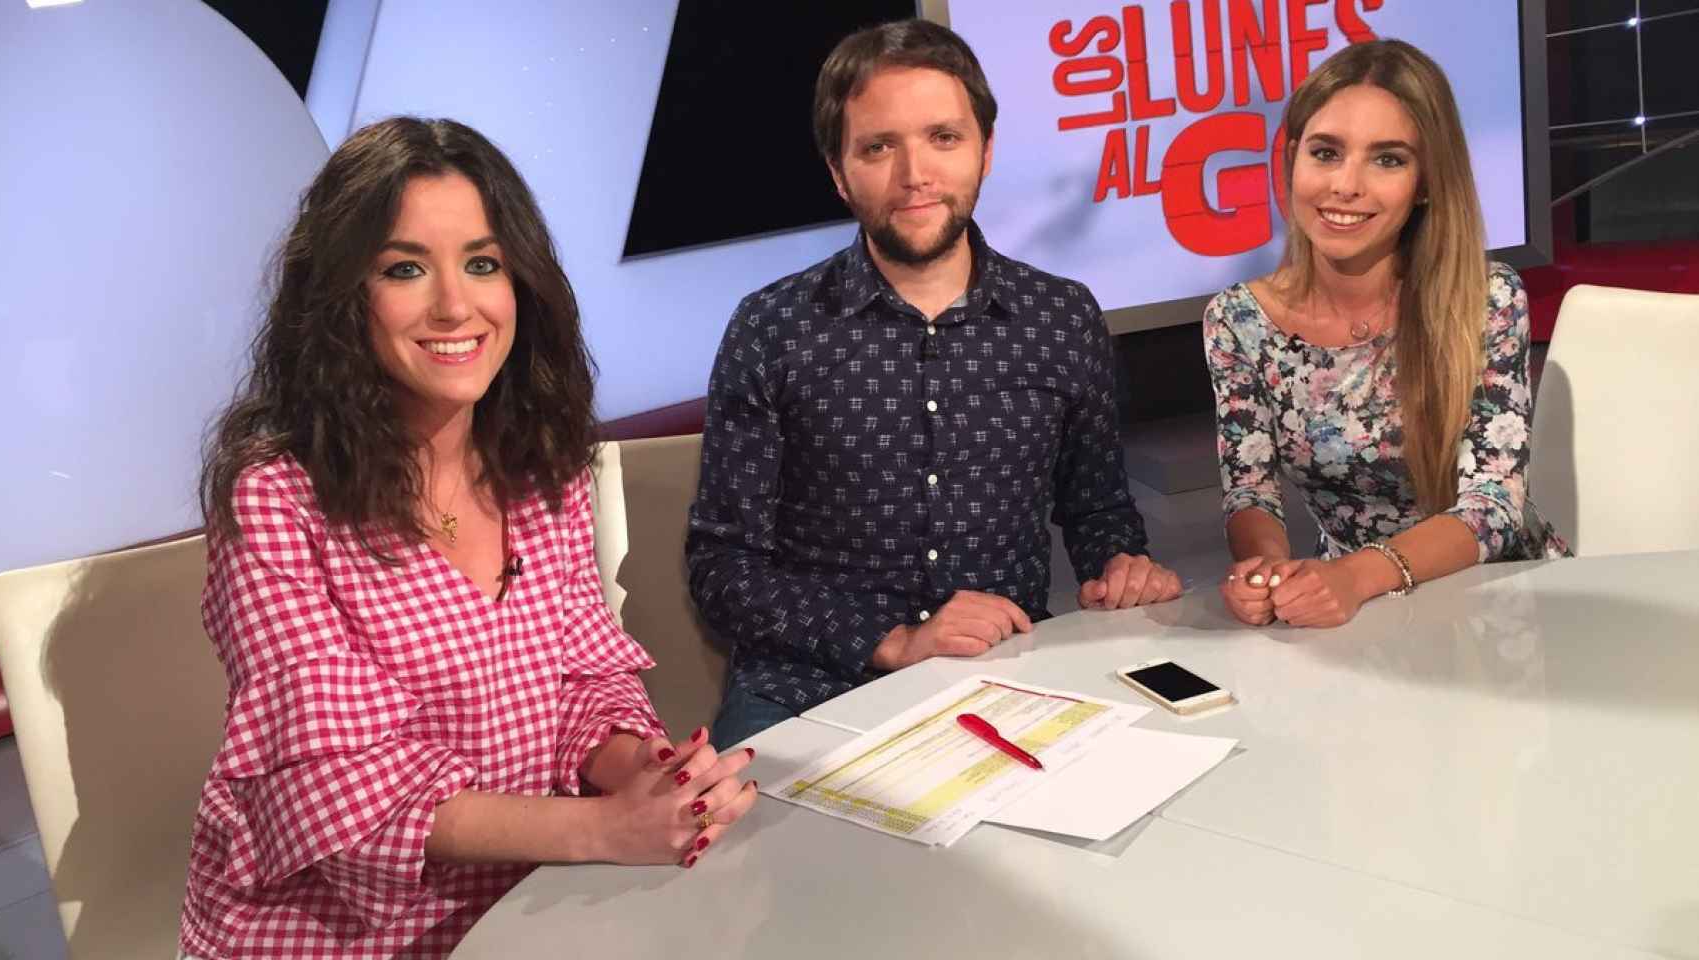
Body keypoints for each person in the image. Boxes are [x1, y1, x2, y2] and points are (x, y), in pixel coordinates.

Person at [182, 118, 755, 960]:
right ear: (341, 297)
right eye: (406, 268)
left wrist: (634, 765)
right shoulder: (277, 498)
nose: (456, 305)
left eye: (482, 263)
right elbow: (339, 790)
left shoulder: (544, 469)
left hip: (532, 902)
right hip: (334, 937)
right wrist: (602, 828)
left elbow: (576, 681)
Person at [686, 20, 1181, 748]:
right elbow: (722, 568)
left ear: (985, 148)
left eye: (943, 138)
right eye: (879, 146)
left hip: (1008, 673)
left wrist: (1122, 567)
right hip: (807, 687)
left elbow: (1098, 507)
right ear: (837, 170)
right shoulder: (773, 327)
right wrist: (895, 640)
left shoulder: (1061, 316)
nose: (914, 173)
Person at [1205, 40, 1568, 630]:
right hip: (1350, 612)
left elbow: (1493, 507)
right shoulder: (1238, 320)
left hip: (1502, 602)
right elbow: (1250, 491)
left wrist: (1355, 576)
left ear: (1425, 181)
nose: (1346, 186)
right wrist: (1264, 573)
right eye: (1325, 153)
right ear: (1293, 159)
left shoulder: (1485, 297)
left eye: (1388, 160)